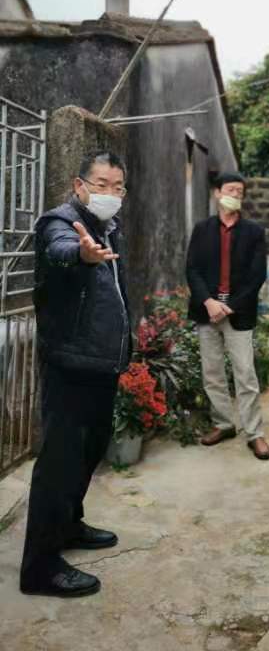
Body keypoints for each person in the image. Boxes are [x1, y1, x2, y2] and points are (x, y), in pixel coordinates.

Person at [20, 151, 131, 598]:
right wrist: (81, 255)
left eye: (118, 187)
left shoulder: (109, 227)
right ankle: (40, 568)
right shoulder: (60, 222)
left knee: (90, 450)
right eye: (101, 184)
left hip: (101, 363)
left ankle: (67, 525)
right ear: (79, 185)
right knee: (60, 463)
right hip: (69, 362)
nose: (110, 193)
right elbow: (61, 248)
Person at [186, 172, 269, 461]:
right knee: (212, 373)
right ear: (217, 193)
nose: (235, 194)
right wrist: (209, 302)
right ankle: (223, 424)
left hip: (238, 313)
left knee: (245, 374)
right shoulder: (202, 230)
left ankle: (254, 433)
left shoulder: (253, 232)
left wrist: (229, 306)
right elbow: (192, 269)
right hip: (207, 311)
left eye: (239, 191)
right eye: (230, 189)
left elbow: (257, 275)